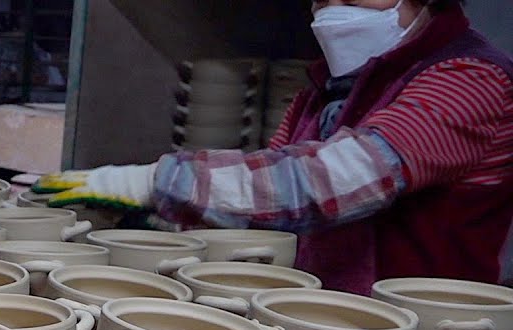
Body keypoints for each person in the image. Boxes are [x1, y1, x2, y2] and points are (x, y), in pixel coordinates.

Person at [35, 0, 513, 294]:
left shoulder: (471, 80)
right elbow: (265, 201)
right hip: (317, 316)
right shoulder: (327, 91)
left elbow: (319, 183)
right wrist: (151, 220)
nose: (333, 11)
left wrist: (151, 181)